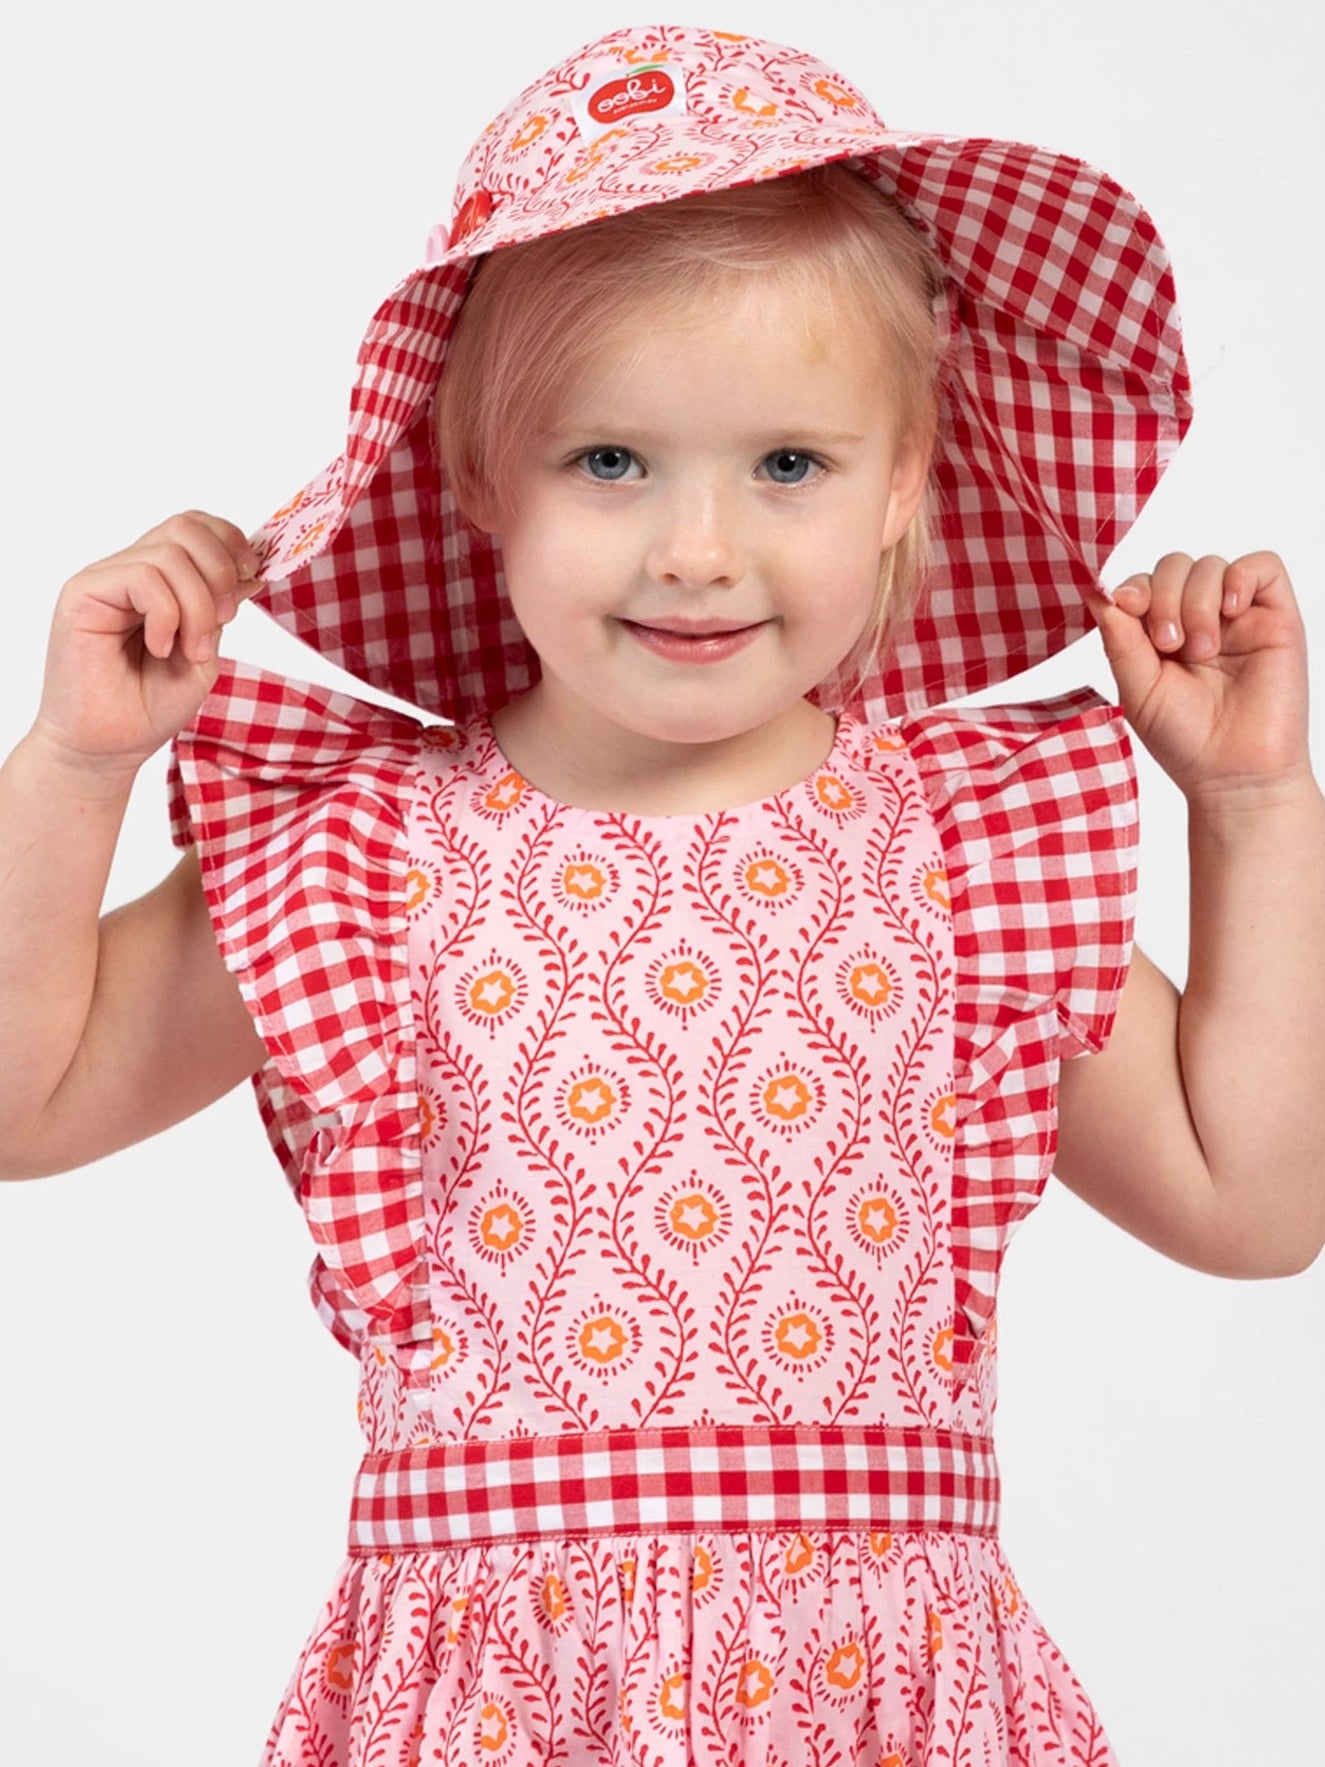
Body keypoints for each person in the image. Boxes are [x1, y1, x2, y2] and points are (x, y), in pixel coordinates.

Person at [2, 21, 1321, 1765]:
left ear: (904, 479)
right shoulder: (361, 856)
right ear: (478, 476)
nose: (698, 551)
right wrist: (77, 765)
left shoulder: (959, 853)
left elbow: (1250, 1206)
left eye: (788, 465)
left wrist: (1250, 805)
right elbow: (24, 1104)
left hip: (877, 1706)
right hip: (500, 1712)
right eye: (610, 462)